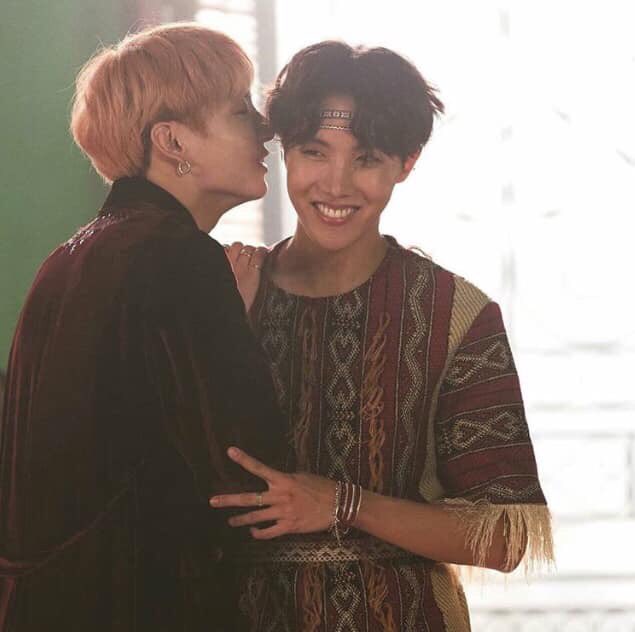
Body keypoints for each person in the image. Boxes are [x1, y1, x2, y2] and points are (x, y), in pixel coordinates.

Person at [211, 41, 554, 631]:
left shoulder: (455, 314)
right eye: (314, 152)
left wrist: (343, 504)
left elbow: (504, 536)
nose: (336, 184)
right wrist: (224, 333)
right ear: (284, 151)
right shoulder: (224, 292)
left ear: (406, 163)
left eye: (366, 158)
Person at [0, 23, 285, 631]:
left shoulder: (69, 257)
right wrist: (244, 323)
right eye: (241, 110)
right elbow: (251, 480)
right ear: (173, 139)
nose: (267, 129)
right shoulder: (179, 257)